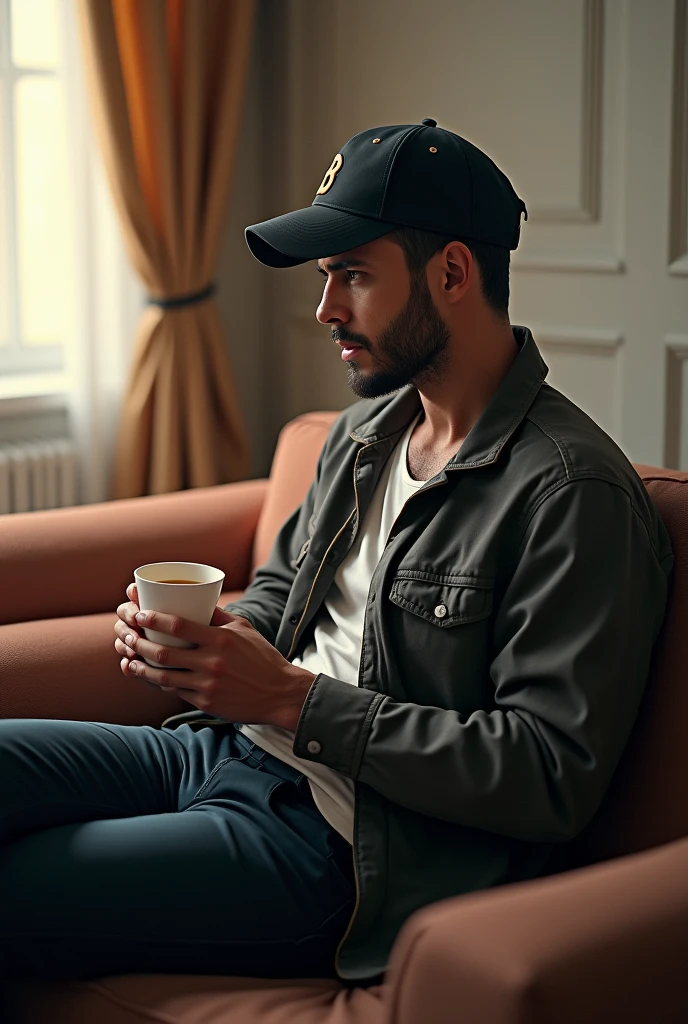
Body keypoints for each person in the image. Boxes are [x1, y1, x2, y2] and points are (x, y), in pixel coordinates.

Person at [0, 120, 673, 990]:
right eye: (326, 278)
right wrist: (211, 647)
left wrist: (292, 699)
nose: (325, 310)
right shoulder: (363, 432)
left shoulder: (573, 495)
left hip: (339, 846)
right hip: (220, 753)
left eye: (353, 274)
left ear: (454, 274)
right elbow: (281, 595)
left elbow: (547, 773)